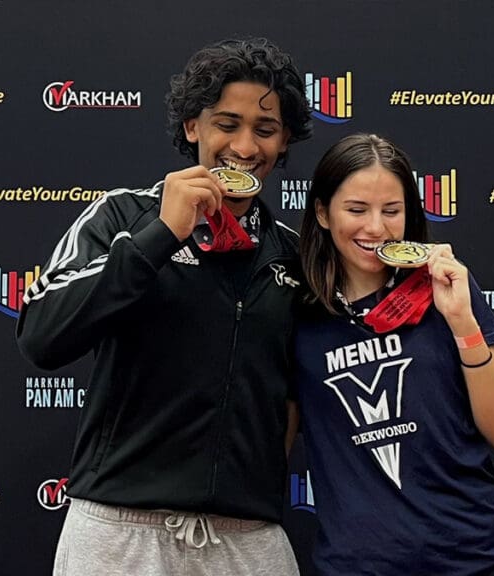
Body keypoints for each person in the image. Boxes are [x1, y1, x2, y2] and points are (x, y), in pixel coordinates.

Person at [16, 37, 313, 576]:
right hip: (117, 532)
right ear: (192, 126)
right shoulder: (124, 217)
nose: (245, 147)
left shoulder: (293, 254)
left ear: (284, 141)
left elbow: (303, 393)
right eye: (227, 123)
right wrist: (161, 236)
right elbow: (41, 336)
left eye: (265, 130)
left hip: (248, 540)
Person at [296, 134, 494, 575]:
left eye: (392, 211)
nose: (376, 228)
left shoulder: (445, 286)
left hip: (479, 561)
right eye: (357, 210)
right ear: (323, 213)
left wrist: (462, 322)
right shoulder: (297, 313)